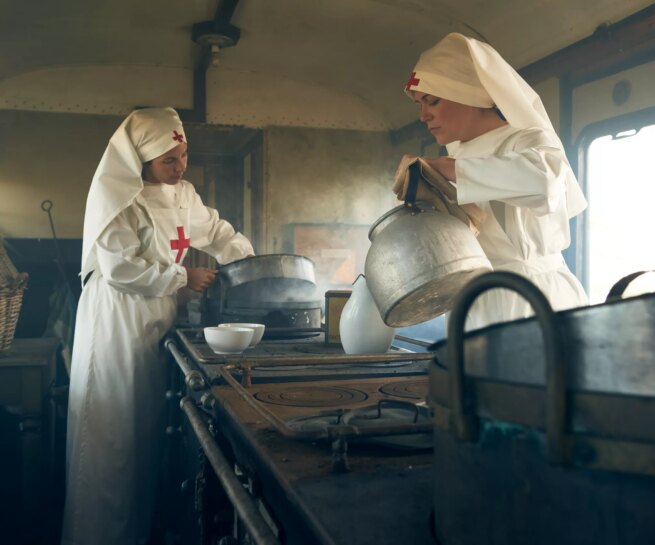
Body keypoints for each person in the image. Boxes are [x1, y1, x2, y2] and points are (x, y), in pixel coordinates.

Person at [61, 107, 254, 545]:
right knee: (112, 438)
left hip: (157, 317)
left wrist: (249, 261)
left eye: (184, 156)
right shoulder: (117, 200)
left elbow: (217, 232)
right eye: (169, 160)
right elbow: (120, 269)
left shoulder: (183, 195)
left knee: (143, 435)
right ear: (141, 160)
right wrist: (183, 277)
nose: (179, 166)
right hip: (118, 320)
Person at [398, 32, 588, 329]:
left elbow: (544, 183)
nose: (423, 116)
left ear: (469, 94)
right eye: (419, 105)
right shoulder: (458, 155)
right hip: (473, 302)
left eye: (432, 101)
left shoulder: (528, 139)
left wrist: (450, 168)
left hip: (530, 299)